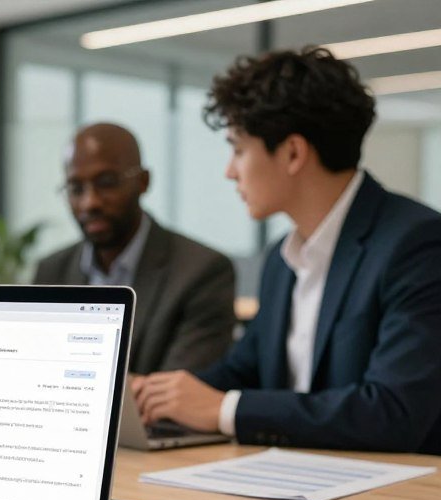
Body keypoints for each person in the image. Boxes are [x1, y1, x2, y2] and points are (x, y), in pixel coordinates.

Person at [133, 47, 441, 454]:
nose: (230, 171)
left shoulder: (416, 244)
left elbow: (393, 410)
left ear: (293, 153)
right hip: (294, 484)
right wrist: (157, 393)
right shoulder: (282, 259)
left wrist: (226, 410)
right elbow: (245, 369)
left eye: (239, 149)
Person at [35, 123, 236, 374]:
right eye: (76, 188)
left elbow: (178, 396)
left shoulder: (201, 273)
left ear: (143, 182)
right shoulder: (51, 272)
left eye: (106, 182)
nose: (90, 202)